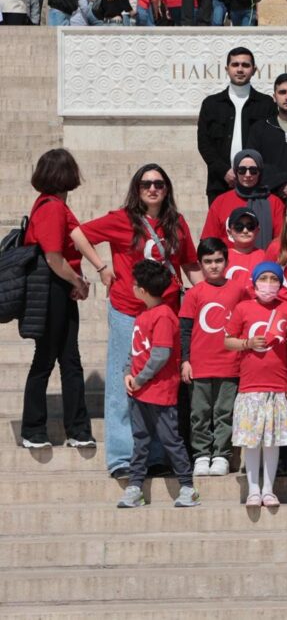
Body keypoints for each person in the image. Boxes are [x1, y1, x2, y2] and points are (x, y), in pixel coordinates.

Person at [72, 164, 201, 479]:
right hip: (128, 310)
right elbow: (77, 234)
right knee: (123, 382)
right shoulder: (121, 219)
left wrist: (209, 296)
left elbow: (189, 263)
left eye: (159, 183)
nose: (153, 188)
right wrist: (102, 267)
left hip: (166, 312)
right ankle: (121, 457)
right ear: (137, 188)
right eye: (146, 184)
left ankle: (156, 455)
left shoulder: (176, 223)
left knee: (160, 383)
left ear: (167, 188)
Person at [20, 149, 95, 449]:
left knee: (70, 360)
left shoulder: (55, 205)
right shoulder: (51, 207)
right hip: (51, 288)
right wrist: (77, 280)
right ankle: (33, 429)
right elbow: (53, 256)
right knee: (47, 359)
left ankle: (77, 429)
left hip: (60, 288)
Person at [115, 260, 200, 509]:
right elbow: (136, 350)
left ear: (142, 290)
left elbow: (161, 355)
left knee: (170, 439)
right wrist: (128, 373)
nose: (131, 287)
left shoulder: (164, 316)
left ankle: (187, 487)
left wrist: (140, 378)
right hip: (139, 392)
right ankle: (135, 487)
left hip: (160, 393)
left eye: (134, 284)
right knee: (140, 440)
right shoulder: (143, 315)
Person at [224, 261, 287, 508]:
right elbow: (228, 341)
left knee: (272, 441)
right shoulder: (243, 307)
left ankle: (269, 488)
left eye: (274, 279)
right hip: (250, 386)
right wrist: (247, 343)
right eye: (263, 278)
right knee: (252, 440)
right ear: (254, 282)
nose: (268, 283)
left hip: (277, 385)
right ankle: (253, 489)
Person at [178, 237, 247, 477]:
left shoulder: (239, 290)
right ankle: (201, 455)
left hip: (230, 364)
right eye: (208, 261)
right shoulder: (194, 293)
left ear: (227, 262)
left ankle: (221, 455)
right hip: (199, 365)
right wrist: (185, 360)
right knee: (199, 413)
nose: (214, 266)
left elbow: (246, 323)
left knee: (224, 412)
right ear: (200, 264)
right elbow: (185, 329)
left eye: (219, 260)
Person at [197, 47, 276, 205]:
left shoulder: (266, 104)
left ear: (254, 70)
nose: (240, 69)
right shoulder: (211, 104)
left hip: (256, 185)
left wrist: (251, 173)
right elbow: (204, 144)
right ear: (227, 69)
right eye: (235, 65)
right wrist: (225, 171)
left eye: (245, 65)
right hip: (220, 184)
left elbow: (271, 143)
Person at [201, 150, 285, 250]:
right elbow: (209, 241)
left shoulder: (274, 202)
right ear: (236, 171)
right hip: (229, 262)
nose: (248, 174)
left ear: (260, 172)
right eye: (242, 170)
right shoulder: (220, 201)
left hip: (264, 262)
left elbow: (281, 241)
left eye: (253, 170)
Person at [249, 73, 287, 198]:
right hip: (267, 197)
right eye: (282, 92)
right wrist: (278, 183)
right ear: (274, 97)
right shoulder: (259, 128)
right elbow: (253, 163)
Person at [223, 207, 264, 284]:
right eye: (239, 227)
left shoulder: (266, 257)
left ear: (257, 230)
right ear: (229, 232)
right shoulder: (222, 258)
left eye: (250, 226)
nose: (245, 231)